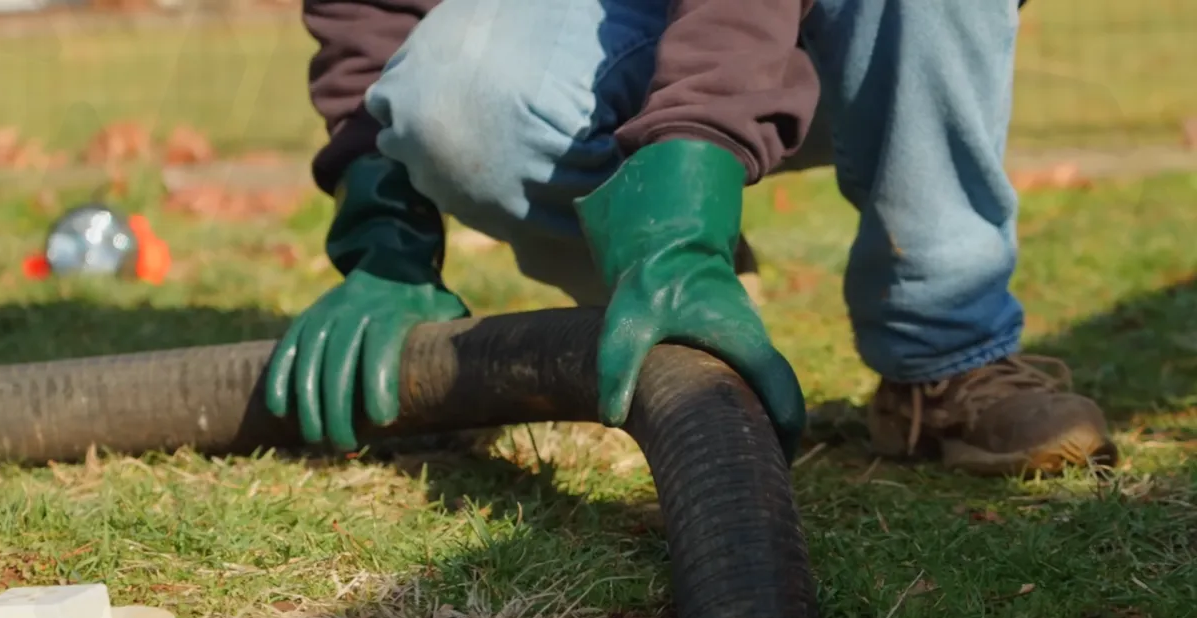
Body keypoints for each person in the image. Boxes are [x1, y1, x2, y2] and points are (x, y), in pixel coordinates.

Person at [266, 0, 1117, 477]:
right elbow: (370, 11)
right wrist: (385, 232)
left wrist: (693, 164)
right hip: (615, 20)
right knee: (454, 95)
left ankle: (946, 356)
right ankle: (656, 291)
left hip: (867, 29)